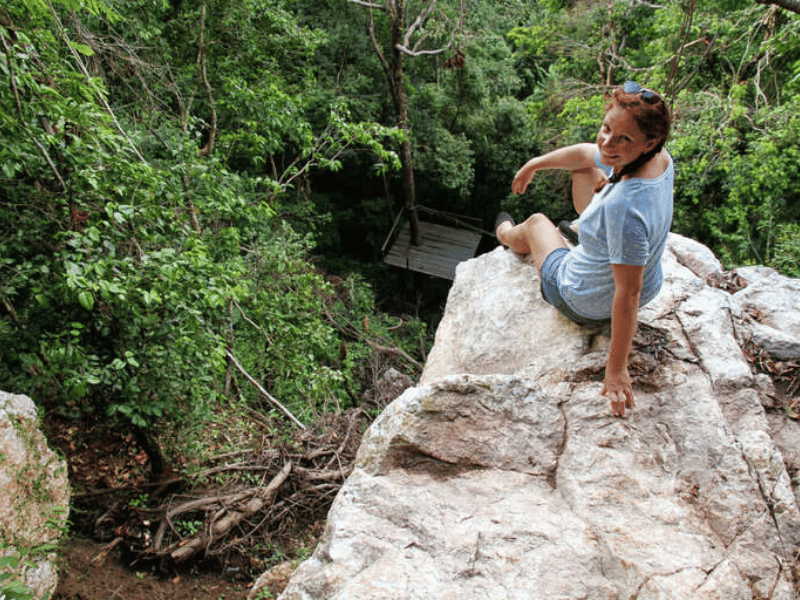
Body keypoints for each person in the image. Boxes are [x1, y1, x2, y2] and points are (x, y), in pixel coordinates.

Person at [495, 81, 673, 418]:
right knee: (585, 168)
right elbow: (584, 154)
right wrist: (534, 164)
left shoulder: (623, 207)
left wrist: (616, 370)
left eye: (623, 139)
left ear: (648, 142)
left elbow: (628, 296)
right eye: (607, 128)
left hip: (581, 297)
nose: (608, 142)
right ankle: (584, 230)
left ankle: (504, 235)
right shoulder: (660, 158)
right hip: (651, 283)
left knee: (535, 223)